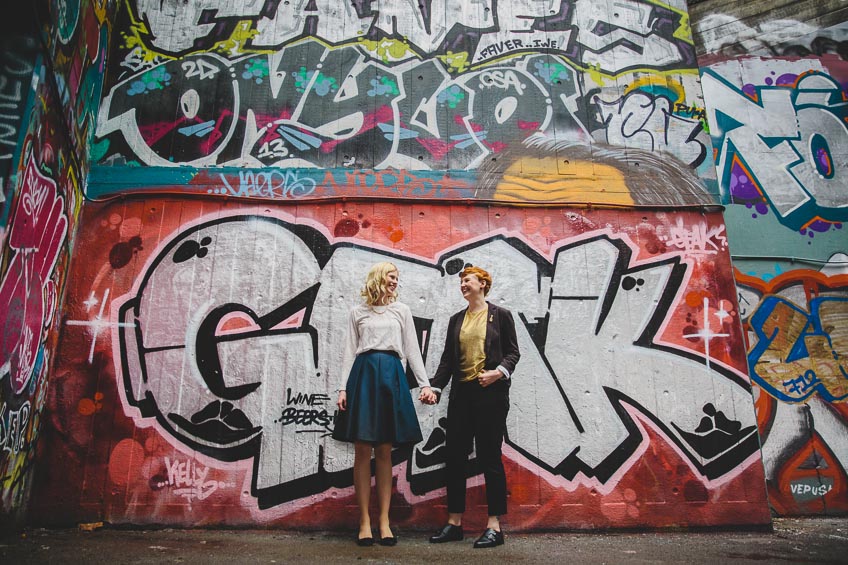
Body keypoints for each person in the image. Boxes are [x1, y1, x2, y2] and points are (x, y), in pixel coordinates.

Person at [333, 261, 437, 547]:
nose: (395, 281)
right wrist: (342, 388)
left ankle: (384, 521)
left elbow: (413, 351)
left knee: (384, 451)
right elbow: (349, 352)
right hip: (363, 376)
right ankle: (365, 522)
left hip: (391, 376)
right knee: (361, 449)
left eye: (397, 278)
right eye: (391, 276)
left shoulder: (401, 311)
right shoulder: (357, 312)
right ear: (379, 277)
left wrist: (425, 383)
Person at [428, 266, 520, 549]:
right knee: (455, 457)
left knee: (489, 457)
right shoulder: (457, 319)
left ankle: (494, 526)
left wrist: (499, 372)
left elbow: (513, 352)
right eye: (461, 282)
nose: (463, 285)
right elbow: (447, 361)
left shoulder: (500, 315)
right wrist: (435, 387)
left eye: (467, 280)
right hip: (461, 396)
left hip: (490, 395)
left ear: (482, 284)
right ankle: (454, 523)